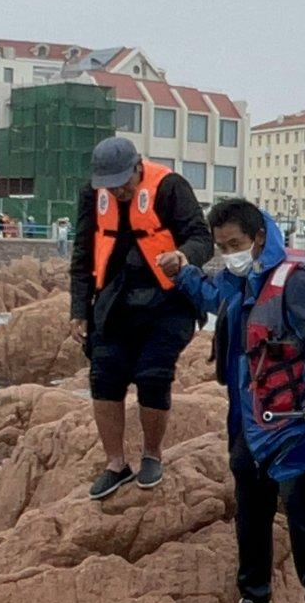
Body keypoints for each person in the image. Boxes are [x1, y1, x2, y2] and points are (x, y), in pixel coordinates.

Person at [159, 198, 305, 603]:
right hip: (246, 414)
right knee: (250, 502)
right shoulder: (238, 279)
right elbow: (212, 296)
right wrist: (183, 274)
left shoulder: (298, 280)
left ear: (259, 236)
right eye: (223, 246)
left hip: (291, 417)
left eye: (236, 244)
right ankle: (255, 599)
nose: (230, 253)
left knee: (301, 502)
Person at [69, 135, 211, 499]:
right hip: (114, 300)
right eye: (110, 186)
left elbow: (201, 237)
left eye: (123, 183)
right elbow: (83, 252)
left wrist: (182, 256)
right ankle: (115, 464)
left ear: (137, 167)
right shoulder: (92, 194)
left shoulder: (170, 187)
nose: (118, 192)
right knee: (104, 376)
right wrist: (78, 311)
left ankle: (152, 455)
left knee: (153, 374)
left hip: (168, 299)